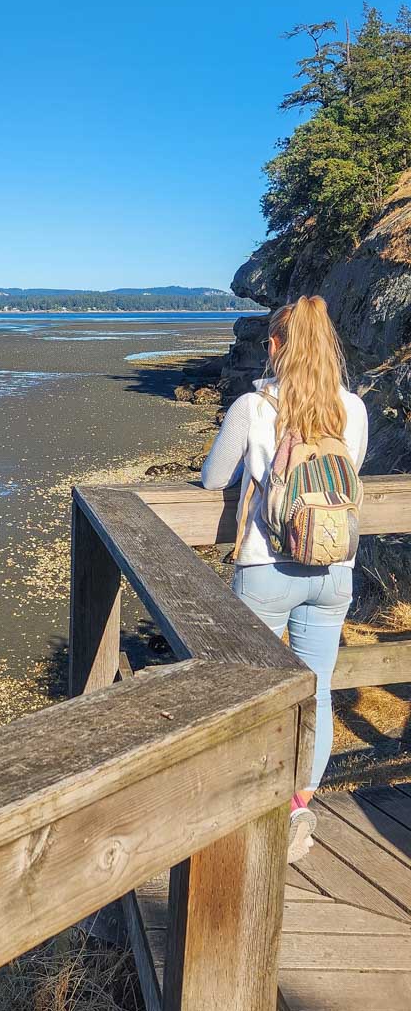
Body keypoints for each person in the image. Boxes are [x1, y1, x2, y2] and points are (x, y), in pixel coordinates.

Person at [201, 296, 368, 862]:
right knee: (315, 691)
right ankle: (299, 803)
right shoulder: (354, 409)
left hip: (266, 567)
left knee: (245, 692)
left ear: (274, 346)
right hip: (333, 571)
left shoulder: (255, 405)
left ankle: (248, 805)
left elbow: (212, 478)